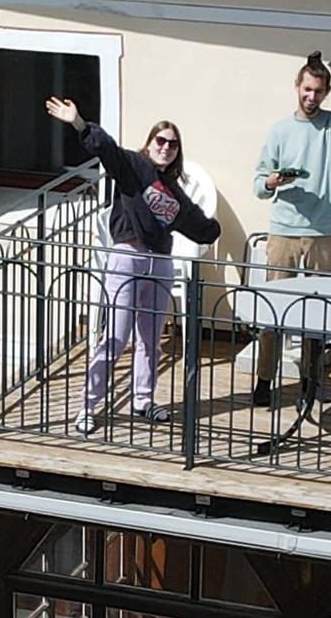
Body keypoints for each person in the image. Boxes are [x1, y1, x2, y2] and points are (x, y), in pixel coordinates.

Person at [45, 93, 219, 427]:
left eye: (173, 144)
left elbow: (199, 226)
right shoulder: (132, 167)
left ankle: (143, 400)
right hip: (127, 258)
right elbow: (106, 148)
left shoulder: (174, 192)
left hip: (160, 264)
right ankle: (88, 407)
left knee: (151, 340)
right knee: (115, 338)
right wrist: (79, 123)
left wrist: (215, 228)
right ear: (149, 143)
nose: (166, 147)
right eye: (160, 140)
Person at [247, 50, 331, 406]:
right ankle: (264, 379)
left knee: (317, 312)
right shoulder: (279, 130)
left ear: (326, 92)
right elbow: (258, 184)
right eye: (307, 89)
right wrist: (272, 182)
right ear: (297, 86)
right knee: (273, 309)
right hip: (283, 231)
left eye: (319, 91)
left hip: (324, 233)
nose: (312, 96)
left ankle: (311, 380)